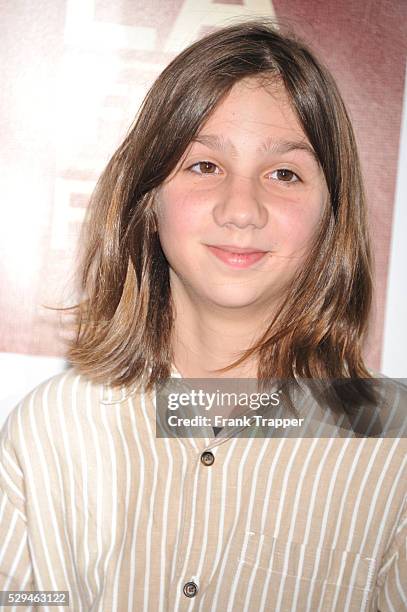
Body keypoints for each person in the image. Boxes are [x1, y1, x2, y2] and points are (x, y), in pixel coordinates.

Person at [0, 19, 406, 612]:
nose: (241, 209)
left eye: (284, 174)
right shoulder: (49, 431)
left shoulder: (395, 456)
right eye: (205, 166)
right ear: (148, 199)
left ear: (331, 215)